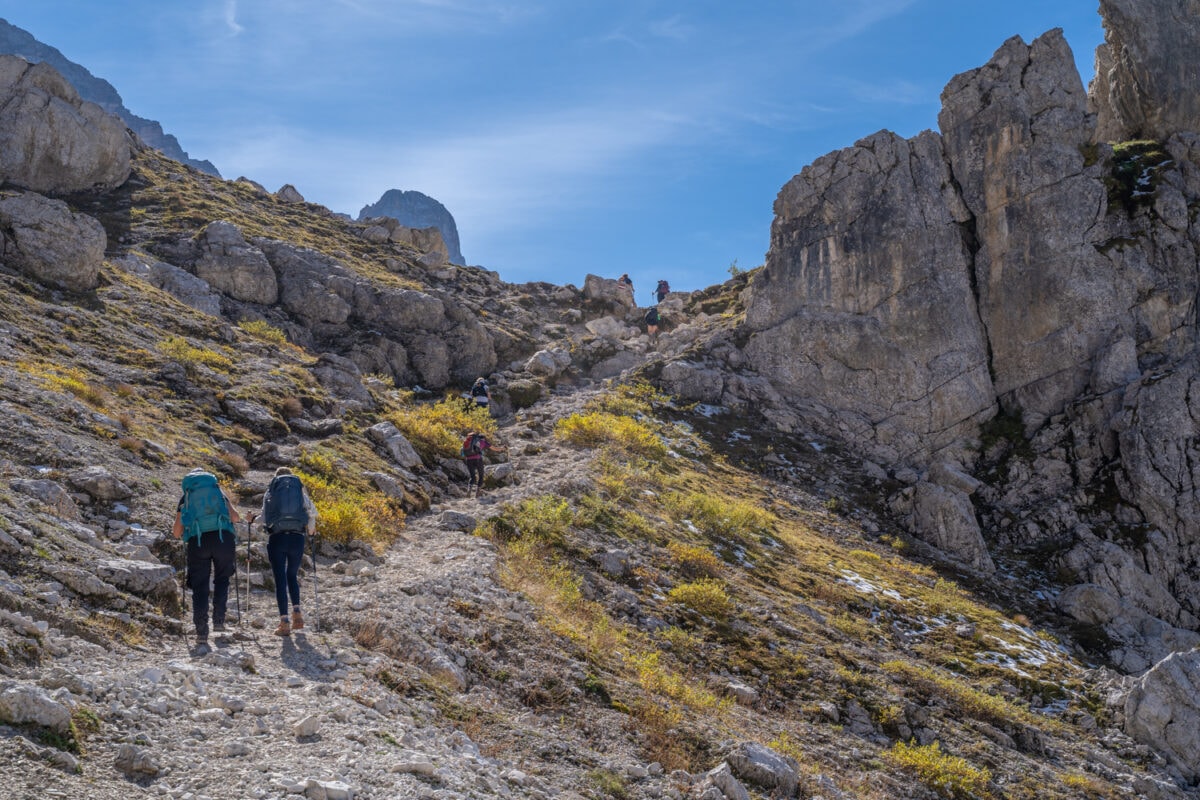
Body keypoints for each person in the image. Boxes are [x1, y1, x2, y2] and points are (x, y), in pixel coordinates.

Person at [173, 469, 241, 649]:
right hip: (223, 540)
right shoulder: (219, 492)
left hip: (198, 542)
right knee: (222, 579)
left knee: (200, 586)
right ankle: (219, 621)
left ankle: (201, 632)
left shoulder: (186, 497)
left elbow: (176, 532)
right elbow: (235, 517)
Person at [256, 467, 318, 637]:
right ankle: (297, 612)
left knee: (280, 579)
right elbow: (312, 513)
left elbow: (263, 517)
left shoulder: (271, 492)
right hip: (297, 538)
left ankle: (284, 622)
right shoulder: (300, 492)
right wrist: (311, 531)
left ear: (276, 478)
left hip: (277, 539)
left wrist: (253, 521)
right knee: (292, 575)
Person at [461, 431, 504, 497]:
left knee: (472, 477)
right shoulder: (482, 442)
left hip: (469, 460)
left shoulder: (466, 441)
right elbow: (495, 449)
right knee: (481, 475)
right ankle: (477, 493)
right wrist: (502, 448)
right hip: (478, 459)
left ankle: (469, 490)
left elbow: (462, 453)